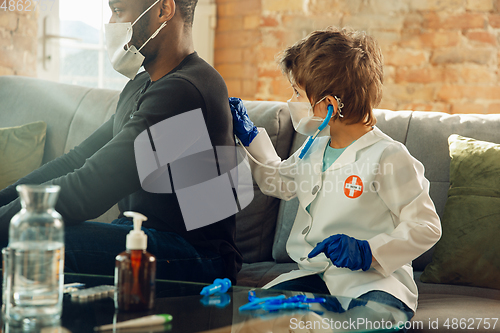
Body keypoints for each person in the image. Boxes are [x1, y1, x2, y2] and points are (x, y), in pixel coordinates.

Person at [0, 0, 242, 284]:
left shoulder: (187, 91)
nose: (111, 24)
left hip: (200, 256)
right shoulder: (142, 84)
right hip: (143, 235)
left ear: (163, 9)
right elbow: (77, 160)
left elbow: (89, 188)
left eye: (118, 11)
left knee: (37, 240)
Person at [230, 27, 441, 323]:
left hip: (372, 281)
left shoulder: (387, 156)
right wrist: (249, 136)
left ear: (329, 106)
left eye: (297, 93)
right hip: (315, 274)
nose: (291, 101)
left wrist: (369, 251)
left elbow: (426, 225)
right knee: (255, 318)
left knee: (373, 320)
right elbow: (279, 181)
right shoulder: (314, 148)